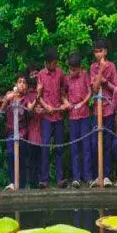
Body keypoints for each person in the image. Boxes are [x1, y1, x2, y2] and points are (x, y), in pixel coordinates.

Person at [37, 47, 68, 188]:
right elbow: (39, 97)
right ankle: (44, 180)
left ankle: (60, 179)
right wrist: (45, 106)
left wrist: (64, 103)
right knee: (45, 148)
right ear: (47, 63)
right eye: (53, 63)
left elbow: (63, 91)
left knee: (60, 148)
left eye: (56, 62)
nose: (55, 65)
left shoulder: (61, 73)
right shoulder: (41, 75)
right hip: (46, 118)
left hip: (59, 116)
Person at [0, 73, 34, 190]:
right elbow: (1, 110)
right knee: (10, 154)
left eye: (24, 83)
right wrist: (7, 99)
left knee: (22, 158)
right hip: (10, 132)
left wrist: (38, 96)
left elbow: (30, 109)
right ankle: (12, 182)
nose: (22, 85)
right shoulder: (9, 95)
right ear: (16, 84)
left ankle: (22, 185)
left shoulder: (27, 98)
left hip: (23, 132)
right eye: (20, 82)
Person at [90, 39, 117, 188]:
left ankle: (106, 176)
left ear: (105, 51)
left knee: (107, 144)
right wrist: (100, 70)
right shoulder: (93, 67)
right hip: (96, 111)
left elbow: (116, 89)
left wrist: (106, 82)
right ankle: (97, 175)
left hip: (109, 109)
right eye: (96, 51)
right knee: (95, 143)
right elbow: (94, 88)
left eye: (100, 51)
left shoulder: (112, 66)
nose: (98, 54)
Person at [65, 52, 93, 187]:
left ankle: (88, 176)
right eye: (70, 69)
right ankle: (76, 177)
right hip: (72, 116)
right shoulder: (66, 78)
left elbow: (90, 92)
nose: (72, 71)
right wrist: (67, 103)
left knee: (86, 146)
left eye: (74, 69)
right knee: (74, 147)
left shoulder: (85, 75)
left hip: (85, 115)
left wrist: (83, 103)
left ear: (79, 67)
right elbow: (62, 94)